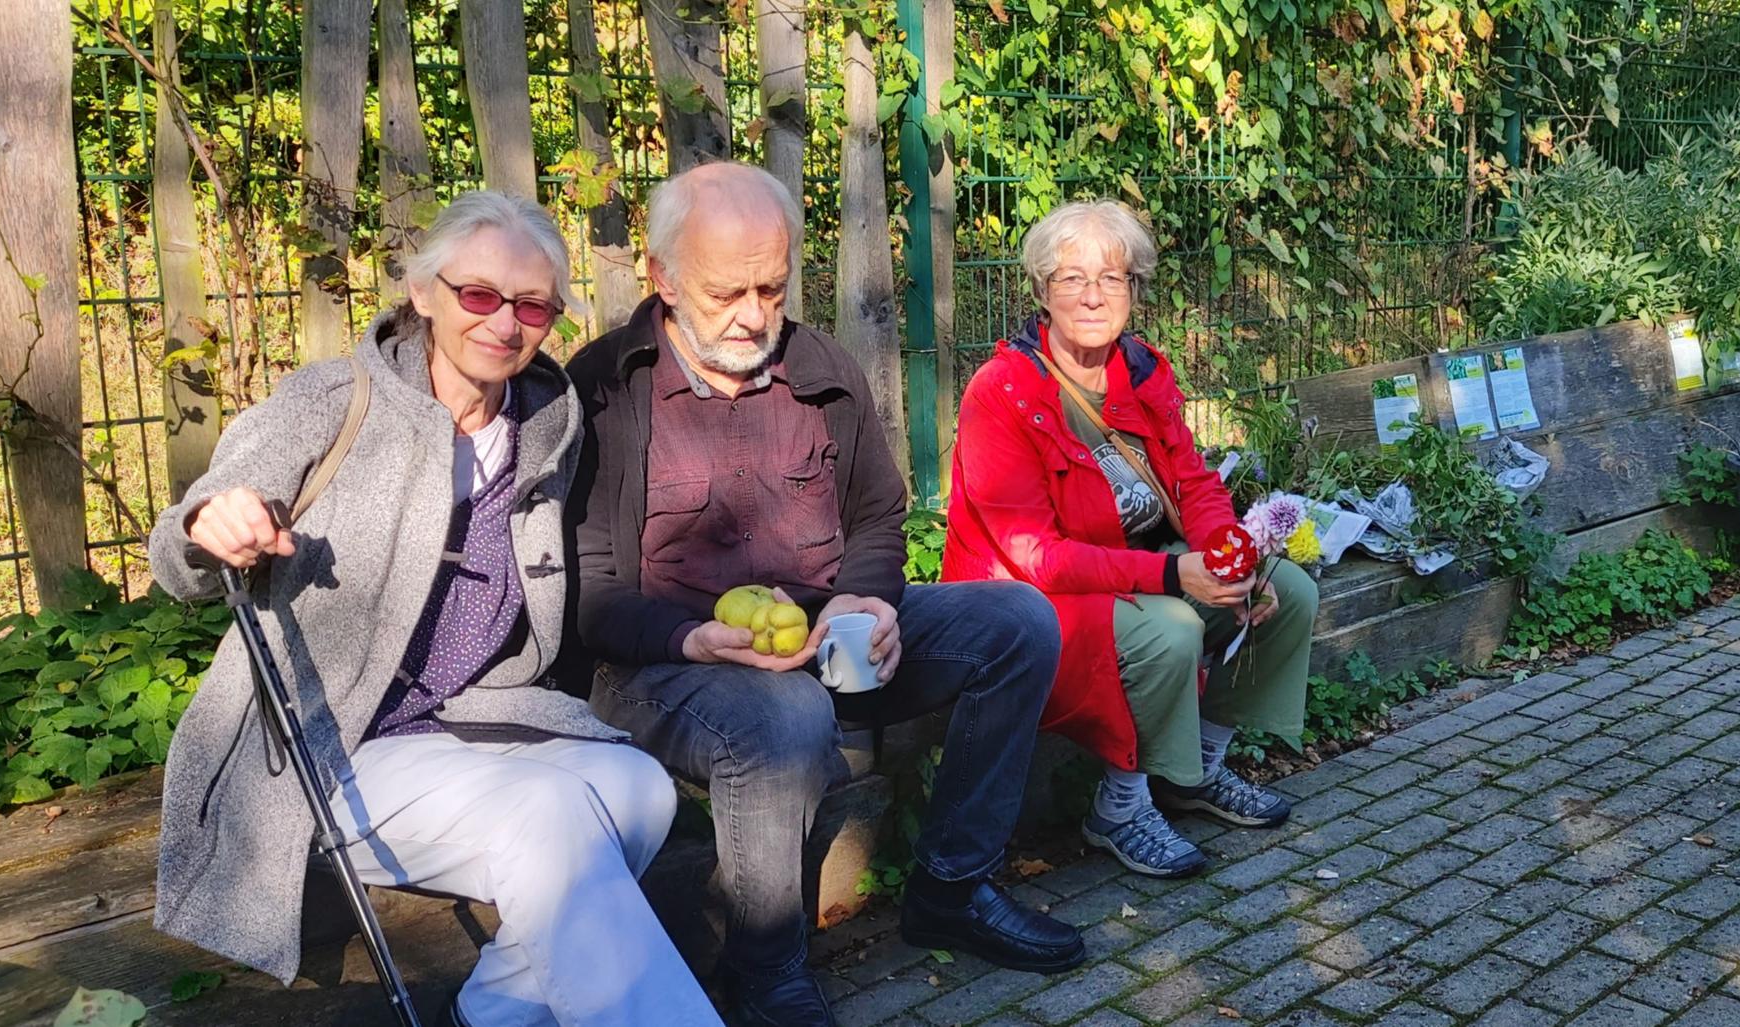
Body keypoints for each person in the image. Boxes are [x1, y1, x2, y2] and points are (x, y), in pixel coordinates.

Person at [146, 191, 721, 1027]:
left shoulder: (543, 424)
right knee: (552, 814)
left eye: (532, 305)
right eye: (478, 295)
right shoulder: (331, 400)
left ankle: (487, 1015)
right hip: (322, 740)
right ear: (423, 291)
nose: (504, 323)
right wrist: (211, 525)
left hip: (459, 722)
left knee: (638, 788)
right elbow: (179, 552)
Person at [565, 161, 1084, 1027]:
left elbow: (880, 513)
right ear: (661, 275)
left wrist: (868, 597)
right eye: (728, 291)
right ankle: (764, 969)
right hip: (662, 664)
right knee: (784, 716)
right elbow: (584, 586)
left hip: (825, 643)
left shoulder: (820, 368)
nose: (756, 316)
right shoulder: (605, 388)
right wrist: (691, 640)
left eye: (773, 286)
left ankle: (952, 886)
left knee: (1018, 622)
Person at [941, 199, 1321, 879]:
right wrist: (1178, 577)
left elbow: (1196, 481)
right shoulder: (1001, 392)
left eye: (1111, 279)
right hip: (1030, 600)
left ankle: (1197, 770)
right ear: (1040, 291)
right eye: (1072, 278)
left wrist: (1231, 561)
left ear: (1134, 290)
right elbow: (1035, 555)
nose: (1092, 295)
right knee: (1171, 627)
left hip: (1133, 569)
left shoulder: (1141, 370)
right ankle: (1120, 804)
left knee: (1284, 587)